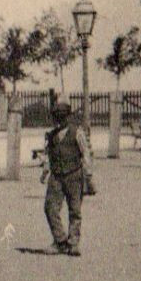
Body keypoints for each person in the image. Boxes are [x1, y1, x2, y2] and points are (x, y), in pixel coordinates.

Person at [42, 101, 92, 256]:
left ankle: (73, 243)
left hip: (74, 174)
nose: (58, 121)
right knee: (50, 208)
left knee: (75, 210)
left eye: (61, 118)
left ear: (67, 118)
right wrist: (45, 172)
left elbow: (86, 153)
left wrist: (88, 174)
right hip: (56, 175)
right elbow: (47, 156)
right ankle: (60, 241)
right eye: (56, 118)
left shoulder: (77, 132)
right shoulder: (51, 136)